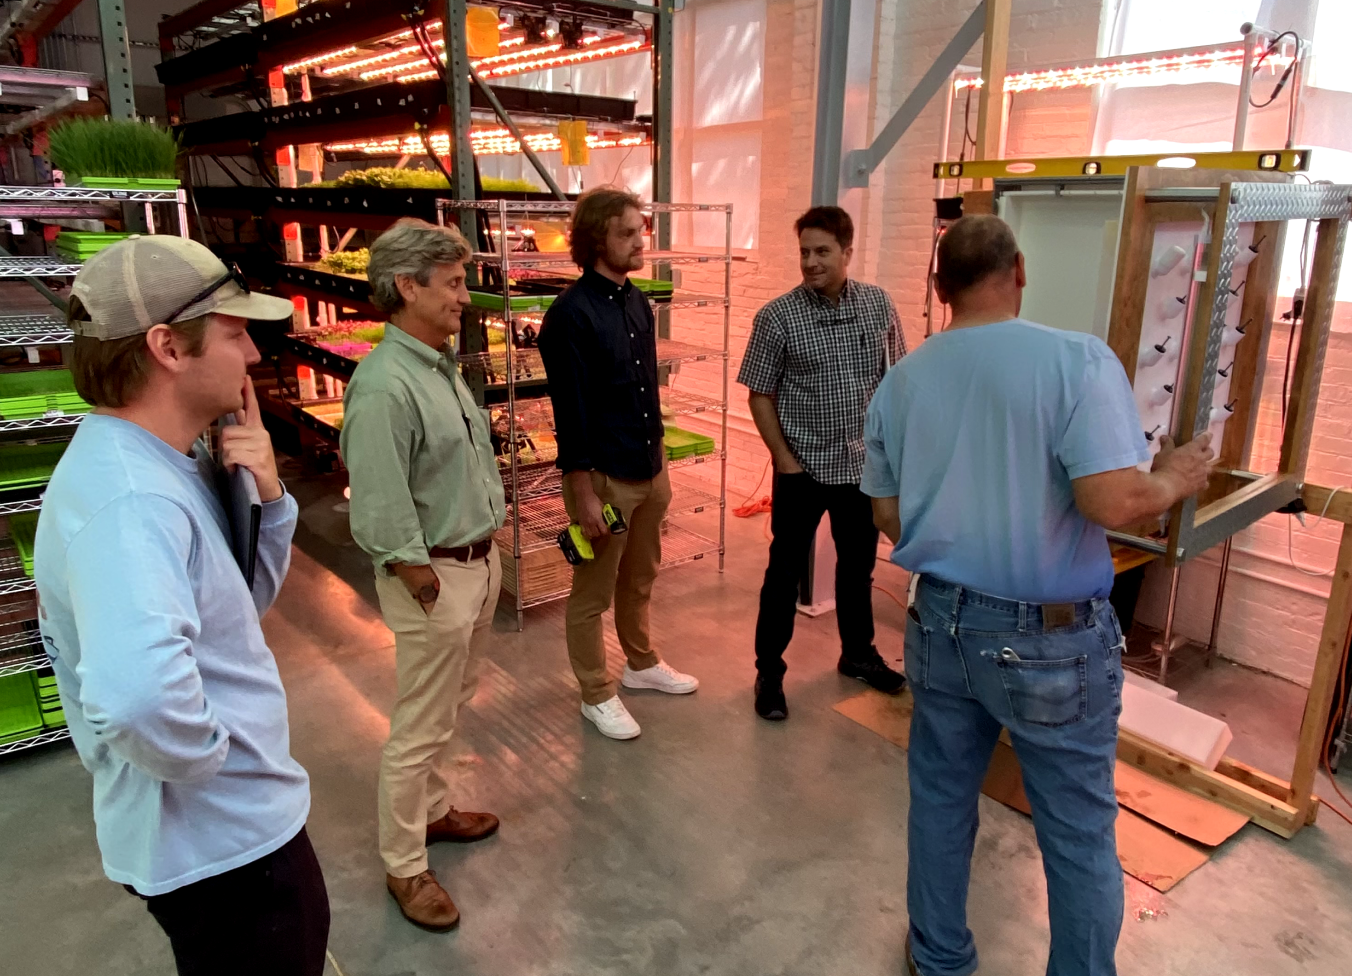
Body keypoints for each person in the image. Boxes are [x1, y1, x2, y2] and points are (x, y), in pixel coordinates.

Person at [861, 215, 1214, 976]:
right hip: (1048, 643)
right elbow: (1113, 503)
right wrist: (1175, 478)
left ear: (938, 288)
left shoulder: (902, 381)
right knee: (1078, 831)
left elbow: (887, 515)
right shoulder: (1078, 362)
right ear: (1019, 270)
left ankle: (940, 957)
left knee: (942, 799)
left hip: (940, 623)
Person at [33, 236, 329, 975]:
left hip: (227, 842)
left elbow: (236, 605)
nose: (255, 357)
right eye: (234, 334)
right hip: (224, 851)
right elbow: (138, 701)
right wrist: (219, 766)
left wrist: (264, 494)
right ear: (168, 346)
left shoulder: (164, 462)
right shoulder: (132, 500)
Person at [340, 218, 506, 931]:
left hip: (474, 562)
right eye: (453, 283)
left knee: (450, 703)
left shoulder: (438, 365)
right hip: (435, 574)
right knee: (418, 724)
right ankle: (405, 865)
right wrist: (422, 579)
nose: (465, 298)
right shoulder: (383, 385)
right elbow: (378, 505)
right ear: (407, 286)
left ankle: (435, 814)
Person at [537, 186, 699, 741]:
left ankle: (641, 663)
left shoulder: (636, 301)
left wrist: (660, 468)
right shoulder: (569, 317)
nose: (640, 241)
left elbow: (644, 388)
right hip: (602, 478)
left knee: (641, 576)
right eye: (627, 232)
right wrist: (581, 494)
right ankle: (595, 692)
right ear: (596, 239)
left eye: (641, 230)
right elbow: (571, 413)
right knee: (591, 595)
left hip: (648, 468)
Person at [738, 205, 908, 721]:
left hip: (862, 470)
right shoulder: (777, 317)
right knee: (783, 575)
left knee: (857, 572)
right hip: (803, 471)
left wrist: (893, 457)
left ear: (847, 252)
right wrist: (784, 461)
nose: (810, 262)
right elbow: (759, 395)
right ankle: (770, 672)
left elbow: (896, 384)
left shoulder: (878, 306)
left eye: (822, 251)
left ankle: (858, 655)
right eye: (804, 252)